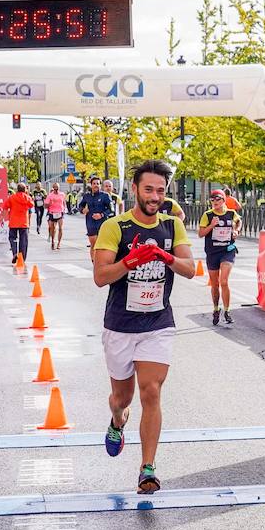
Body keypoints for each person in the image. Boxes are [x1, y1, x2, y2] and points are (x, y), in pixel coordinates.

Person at [93, 160, 195, 494]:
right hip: (121, 325)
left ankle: (147, 468)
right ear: (134, 189)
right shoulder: (115, 227)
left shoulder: (172, 226)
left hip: (157, 323)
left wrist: (164, 258)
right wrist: (130, 261)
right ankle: (117, 419)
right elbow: (100, 276)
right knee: (122, 397)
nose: (154, 197)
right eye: (148, 190)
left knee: (151, 391)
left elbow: (190, 269)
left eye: (160, 191)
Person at [199, 190, 242, 326]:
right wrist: (212, 225)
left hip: (227, 251)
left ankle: (227, 311)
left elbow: (238, 221)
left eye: (217, 200)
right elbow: (201, 233)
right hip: (212, 252)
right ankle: (216, 309)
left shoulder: (231, 213)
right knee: (215, 284)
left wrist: (236, 230)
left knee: (224, 281)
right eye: (212, 201)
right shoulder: (208, 215)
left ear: (223, 200)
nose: (215, 203)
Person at [79, 177, 116, 259]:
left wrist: (101, 215)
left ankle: (101, 262)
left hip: (102, 223)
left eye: (97, 184)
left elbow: (111, 209)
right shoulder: (87, 196)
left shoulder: (105, 196)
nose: (96, 185)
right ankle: (94, 263)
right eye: (94, 184)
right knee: (93, 244)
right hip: (90, 223)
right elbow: (80, 206)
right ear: (91, 185)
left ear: (100, 185)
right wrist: (83, 210)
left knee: (101, 245)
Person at [3, 182, 35, 266]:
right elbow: (32, 205)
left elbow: (5, 207)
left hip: (13, 221)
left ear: (17, 189)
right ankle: (22, 258)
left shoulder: (12, 197)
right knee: (23, 241)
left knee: (12, 238)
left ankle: (14, 253)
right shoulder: (27, 198)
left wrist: (5, 218)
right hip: (24, 223)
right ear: (25, 189)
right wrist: (27, 194)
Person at [45, 182, 67, 251]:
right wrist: (48, 204)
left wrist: (64, 209)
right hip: (52, 213)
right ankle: (52, 241)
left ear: (59, 188)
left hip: (60, 212)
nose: (56, 189)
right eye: (55, 188)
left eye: (57, 188)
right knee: (53, 228)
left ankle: (59, 243)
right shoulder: (50, 195)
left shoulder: (62, 194)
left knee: (60, 228)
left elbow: (64, 203)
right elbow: (45, 205)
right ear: (53, 188)